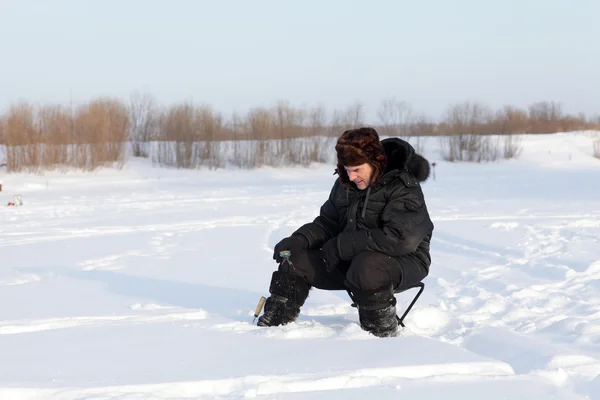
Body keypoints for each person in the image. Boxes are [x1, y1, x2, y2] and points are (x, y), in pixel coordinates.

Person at [257, 127, 434, 337]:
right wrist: (299, 239)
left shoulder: (402, 186)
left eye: (357, 169)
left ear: (375, 162)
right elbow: (328, 223)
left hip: (405, 260)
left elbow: (400, 239)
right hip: (351, 258)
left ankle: (381, 336)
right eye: (347, 169)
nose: (351, 176)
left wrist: (342, 246)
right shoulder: (345, 184)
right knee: (293, 258)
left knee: (367, 266)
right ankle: (272, 327)